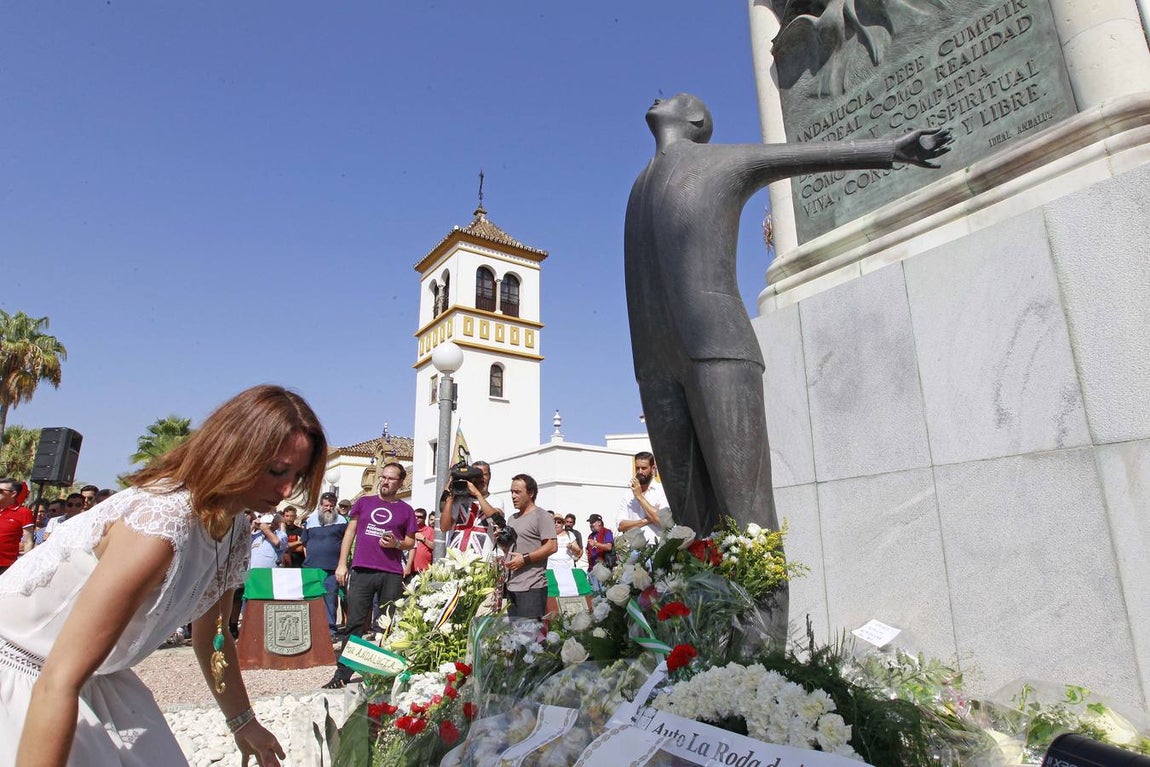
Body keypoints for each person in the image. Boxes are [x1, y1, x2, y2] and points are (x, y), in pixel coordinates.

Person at [624, 92, 950, 539]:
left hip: (718, 346)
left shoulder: (721, 161)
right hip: (654, 362)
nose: (662, 95)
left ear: (696, 118)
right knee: (689, 526)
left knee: (748, 517)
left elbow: (797, 156)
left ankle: (764, 611)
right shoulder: (639, 186)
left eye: (678, 97)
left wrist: (890, 149)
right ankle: (699, 610)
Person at [0, 383, 327, 767]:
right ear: (234, 451)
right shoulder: (160, 524)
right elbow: (58, 679)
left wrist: (242, 720)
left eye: (297, 475)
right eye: (276, 470)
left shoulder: (236, 529)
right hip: (27, 677)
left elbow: (213, 637)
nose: (287, 489)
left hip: (96, 677)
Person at [324, 461, 416, 689]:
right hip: (362, 570)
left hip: (391, 573)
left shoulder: (406, 510)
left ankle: (385, 673)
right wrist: (341, 565)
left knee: (387, 625)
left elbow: (411, 542)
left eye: (390, 478)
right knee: (354, 623)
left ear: (400, 482)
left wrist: (396, 543)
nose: (385, 481)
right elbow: (350, 533)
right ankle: (343, 674)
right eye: (383, 477)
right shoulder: (364, 503)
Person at [501, 474, 557, 619]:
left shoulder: (542, 516)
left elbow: (551, 546)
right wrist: (501, 542)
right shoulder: (512, 518)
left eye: (517, 492)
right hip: (511, 587)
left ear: (531, 493)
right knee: (515, 638)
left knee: (531, 637)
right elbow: (510, 549)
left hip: (532, 587)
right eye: (511, 492)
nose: (513, 496)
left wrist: (524, 559)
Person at [301, 501, 349, 639]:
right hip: (311, 568)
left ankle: (330, 631)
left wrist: (343, 564)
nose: (328, 508)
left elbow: (347, 542)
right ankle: (310, 630)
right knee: (311, 600)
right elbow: (304, 542)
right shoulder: (310, 520)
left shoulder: (342, 521)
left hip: (332, 569)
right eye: (325, 505)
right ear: (320, 506)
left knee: (330, 600)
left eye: (331, 506)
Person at [440, 460, 504, 557]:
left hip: (481, 561)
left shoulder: (496, 500)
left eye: (485, 475)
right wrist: (449, 497)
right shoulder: (458, 500)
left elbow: (495, 520)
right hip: (454, 561)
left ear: (490, 476)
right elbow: (444, 527)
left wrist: (477, 494)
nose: (481, 479)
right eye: (477, 476)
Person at [616, 452, 670, 545]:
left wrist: (639, 497)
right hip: (633, 550)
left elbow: (662, 521)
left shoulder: (662, 491)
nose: (640, 471)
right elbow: (621, 526)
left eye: (644, 468)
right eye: (637, 468)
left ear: (652, 469)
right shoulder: (628, 494)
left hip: (656, 547)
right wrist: (647, 520)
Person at [0, 479, 33, 575]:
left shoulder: (24, 512)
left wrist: (25, 566)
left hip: (6, 567)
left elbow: (28, 541)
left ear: (13, 493)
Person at [403, 508, 435, 581]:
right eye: (415, 516)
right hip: (408, 568)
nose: (416, 518)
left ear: (424, 518)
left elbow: (435, 547)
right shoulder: (408, 530)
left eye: (419, 517)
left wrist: (423, 539)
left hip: (423, 569)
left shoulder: (430, 530)